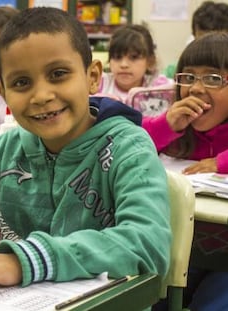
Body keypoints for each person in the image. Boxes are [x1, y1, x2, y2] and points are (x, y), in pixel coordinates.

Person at [0, 7, 171, 293]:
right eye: (21, 83)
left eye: (58, 74)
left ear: (92, 76)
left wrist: (22, 262)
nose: (42, 96)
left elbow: (148, 244)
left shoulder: (129, 149)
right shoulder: (5, 151)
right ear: (4, 94)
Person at [143, 32, 228, 310]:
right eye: (188, 77)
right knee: (154, 298)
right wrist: (167, 125)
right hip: (181, 250)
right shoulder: (175, 129)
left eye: (213, 78)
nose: (196, 89)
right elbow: (129, 147)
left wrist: (221, 162)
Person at [97, 24, 171, 103]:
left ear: (150, 61)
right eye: (117, 57)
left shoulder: (160, 87)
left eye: (134, 57)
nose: (123, 65)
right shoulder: (99, 84)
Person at [164, 1, 228, 78]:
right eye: (202, 43)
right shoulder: (177, 70)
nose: (210, 50)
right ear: (193, 36)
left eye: (217, 44)